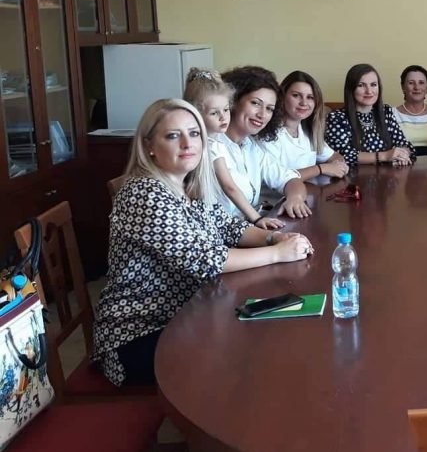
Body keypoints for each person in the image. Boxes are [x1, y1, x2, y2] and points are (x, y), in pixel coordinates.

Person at [93, 99, 313, 387]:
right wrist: (276, 254)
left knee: (269, 336)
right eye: (173, 136)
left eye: (194, 133)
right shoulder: (144, 193)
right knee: (251, 359)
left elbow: (230, 227)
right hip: (140, 333)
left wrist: (275, 237)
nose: (187, 143)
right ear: (149, 145)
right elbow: (205, 260)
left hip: (194, 313)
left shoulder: (188, 186)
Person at [214, 66, 312, 224]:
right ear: (233, 101)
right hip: (224, 233)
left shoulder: (251, 146)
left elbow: (290, 179)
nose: (262, 114)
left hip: (250, 228)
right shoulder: (212, 144)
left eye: (269, 109)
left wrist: (295, 198)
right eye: (255, 103)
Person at [260, 70, 349, 180]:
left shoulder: (307, 130)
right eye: (296, 95)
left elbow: (334, 156)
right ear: (282, 97)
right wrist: (321, 169)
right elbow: (277, 178)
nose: (304, 103)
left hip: (308, 189)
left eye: (310, 97)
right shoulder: (269, 133)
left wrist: (339, 165)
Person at [325, 63, 416, 167]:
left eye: (373, 85)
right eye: (361, 85)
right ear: (351, 89)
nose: (369, 91)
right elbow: (340, 155)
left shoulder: (386, 112)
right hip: (353, 175)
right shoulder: (336, 118)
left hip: (387, 174)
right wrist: (384, 156)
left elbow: (404, 144)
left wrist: (402, 154)